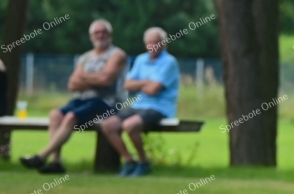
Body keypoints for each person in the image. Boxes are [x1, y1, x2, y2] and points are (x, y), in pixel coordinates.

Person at [19, 19, 126, 173]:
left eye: (104, 32)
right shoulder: (85, 57)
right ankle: (56, 162)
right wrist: (95, 78)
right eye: (97, 32)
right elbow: (72, 85)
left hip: (107, 103)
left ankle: (41, 156)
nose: (100, 35)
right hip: (84, 100)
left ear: (110, 35)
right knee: (55, 114)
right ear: (91, 37)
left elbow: (106, 80)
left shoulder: (117, 55)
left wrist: (84, 77)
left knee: (70, 117)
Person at [100, 27, 179, 177]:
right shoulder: (141, 59)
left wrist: (140, 84)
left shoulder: (169, 62)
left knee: (129, 125)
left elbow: (153, 90)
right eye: (150, 42)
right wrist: (147, 83)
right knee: (108, 125)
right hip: (138, 105)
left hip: (159, 107)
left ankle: (144, 162)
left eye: (156, 42)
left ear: (164, 44)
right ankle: (129, 161)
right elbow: (127, 84)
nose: (152, 46)